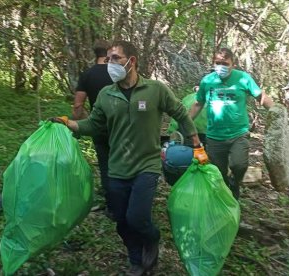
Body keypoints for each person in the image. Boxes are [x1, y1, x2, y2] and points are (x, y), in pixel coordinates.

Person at [52, 40, 207, 276]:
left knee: (137, 217)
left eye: (115, 58)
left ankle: (152, 238)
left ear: (131, 61)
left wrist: (196, 144)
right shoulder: (106, 94)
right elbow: (94, 125)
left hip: (147, 165)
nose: (110, 64)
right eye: (109, 59)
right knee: (122, 222)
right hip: (117, 167)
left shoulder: (155, 90)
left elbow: (180, 113)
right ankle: (137, 261)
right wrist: (69, 123)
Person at [189, 47, 273, 199]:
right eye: (218, 62)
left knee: (239, 165)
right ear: (214, 63)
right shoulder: (207, 81)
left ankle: (235, 182)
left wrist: (276, 111)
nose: (221, 66)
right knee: (218, 173)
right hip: (214, 136)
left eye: (225, 63)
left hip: (238, 134)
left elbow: (260, 96)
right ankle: (227, 199)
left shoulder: (243, 78)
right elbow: (197, 104)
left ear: (233, 64)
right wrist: (185, 122)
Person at [72, 39, 114, 213]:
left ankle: (110, 205)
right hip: (122, 127)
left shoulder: (87, 75)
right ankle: (123, 203)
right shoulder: (118, 73)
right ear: (109, 53)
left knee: (105, 165)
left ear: (94, 54)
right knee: (123, 164)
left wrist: (87, 122)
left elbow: (77, 106)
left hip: (99, 128)